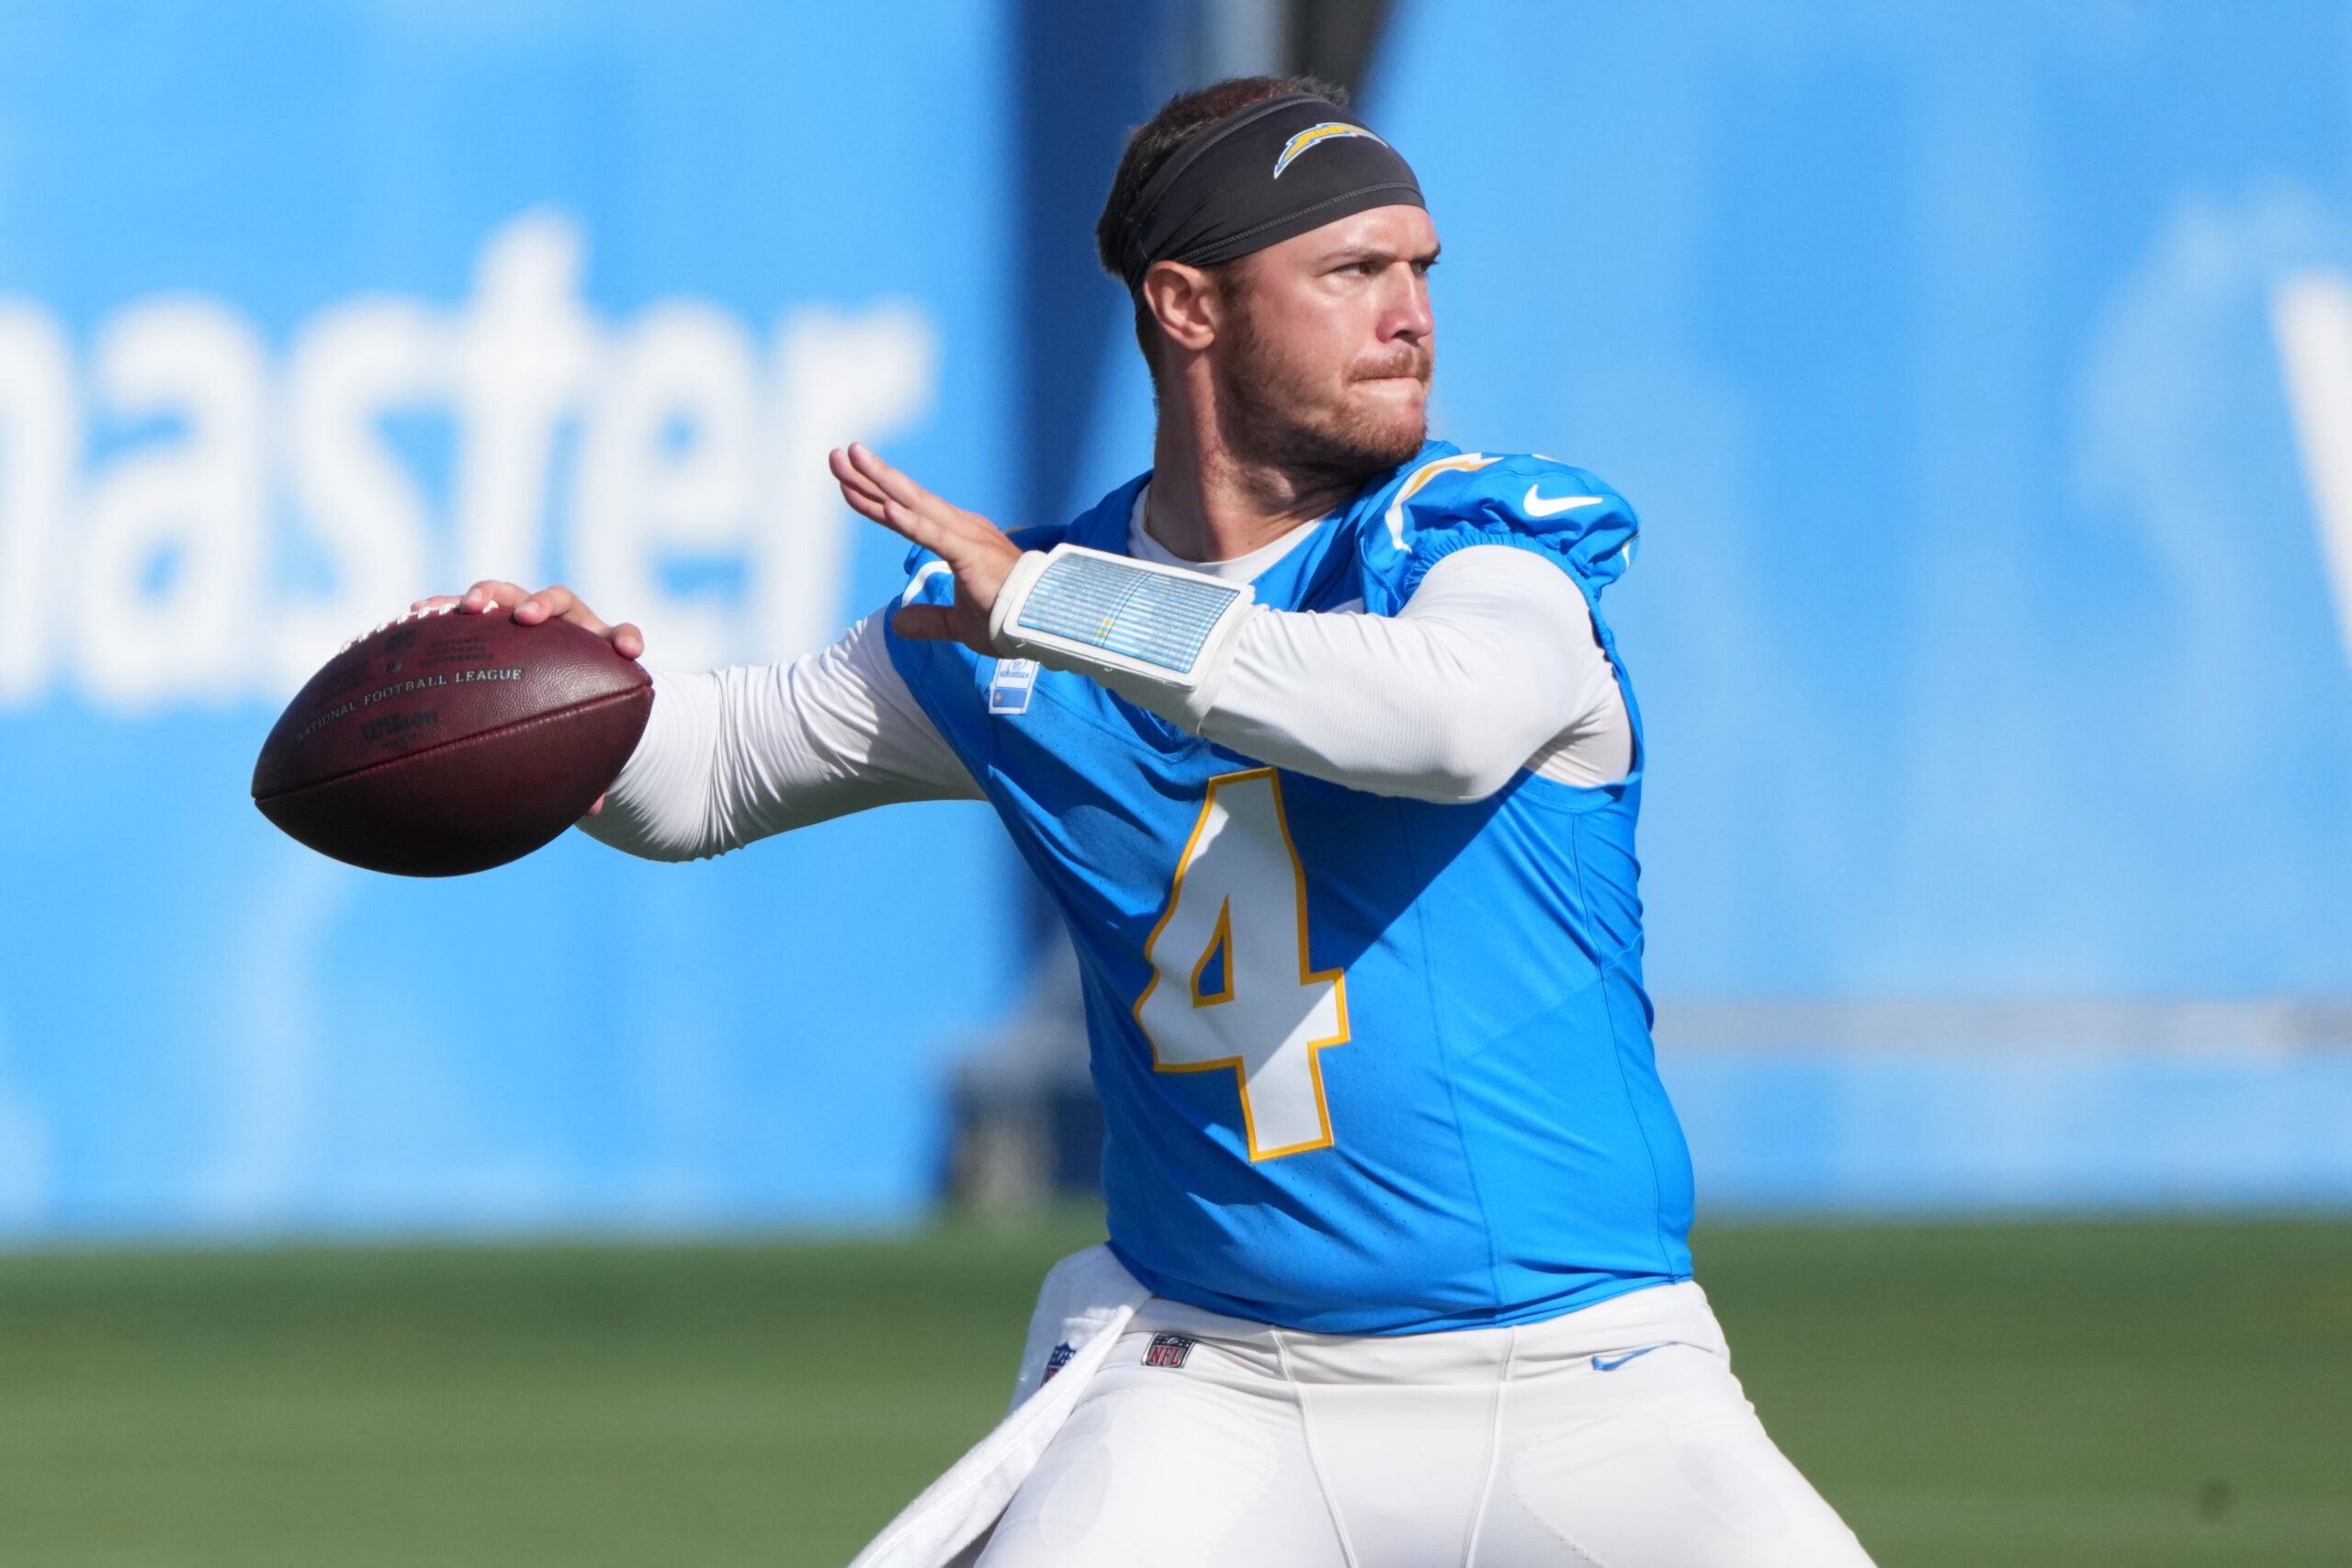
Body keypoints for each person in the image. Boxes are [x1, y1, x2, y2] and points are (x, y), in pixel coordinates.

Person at [422, 75, 1873, 1568]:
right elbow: (702, 778)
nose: (1412, 315)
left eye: (1420, 269)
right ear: (1187, 304)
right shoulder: (1000, 623)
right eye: (1351, 271)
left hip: (1596, 1383)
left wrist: (1056, 605)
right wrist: (559, 701)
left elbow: (1440, 725)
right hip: (1216, 1380)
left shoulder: (1477, 550)